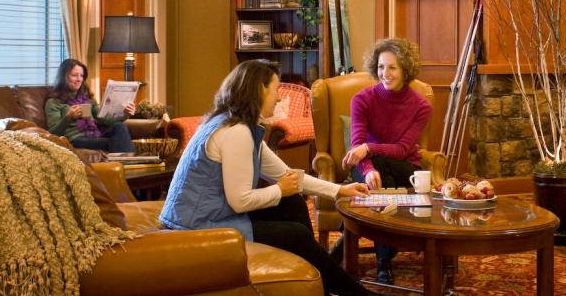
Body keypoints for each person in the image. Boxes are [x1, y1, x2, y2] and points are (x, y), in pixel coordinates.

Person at [159, 59, 377, 296]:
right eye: (275, 89)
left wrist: (339, 190)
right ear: (259, 90)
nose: (279, 97)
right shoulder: (236, 133)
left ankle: (318, 281)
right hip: (197, 227)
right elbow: (240, 201)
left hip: (209, 214)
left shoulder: (236, 125)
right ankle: (351, 291)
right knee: (297, 234)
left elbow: (287, 177)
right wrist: (279, 190)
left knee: (292, 201)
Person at [340, 38, 432, 284]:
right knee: (381, 180)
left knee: (384, 169)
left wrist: (369, 148)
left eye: (392, 67)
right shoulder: (362, 99)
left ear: (405, 69)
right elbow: (357, 143)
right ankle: (384, 259)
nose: (385, 73)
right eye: (381, 67)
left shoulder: (421, 105)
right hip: (368, 167)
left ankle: (346, 237)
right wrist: (368, 169)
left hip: (405, 168)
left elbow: (402, 150)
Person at [45, 58, 136, 152]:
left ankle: (126, 162)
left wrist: (125, 114)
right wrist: (68, 117)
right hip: (76, 139)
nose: (79, 79)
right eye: (74, 75)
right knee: (114, 142)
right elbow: (53, 134)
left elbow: (104, 119)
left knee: (119, 126)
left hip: (94, 135)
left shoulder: (87, 98)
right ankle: (131, 164)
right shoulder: (54, 102)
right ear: (64, 77)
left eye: (81, 76)